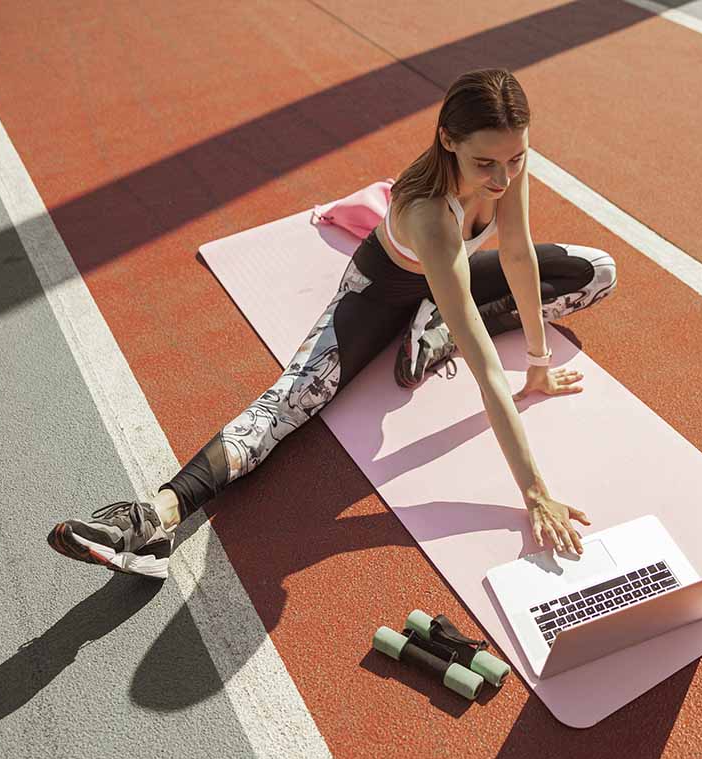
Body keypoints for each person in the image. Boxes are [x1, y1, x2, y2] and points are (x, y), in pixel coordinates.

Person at [48, 68, 617, 579]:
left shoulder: (508, 161)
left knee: (596, 272)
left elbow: (517, 255)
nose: (502, 178)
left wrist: (539, 365)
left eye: (514, 159)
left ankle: (432, 327)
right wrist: (536, 493)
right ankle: (153, 518)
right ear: (448, 139)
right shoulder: (431, 215)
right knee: (288, 405)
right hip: (381, 295)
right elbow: (489, 370)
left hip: (452, 285)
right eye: (486, 164)